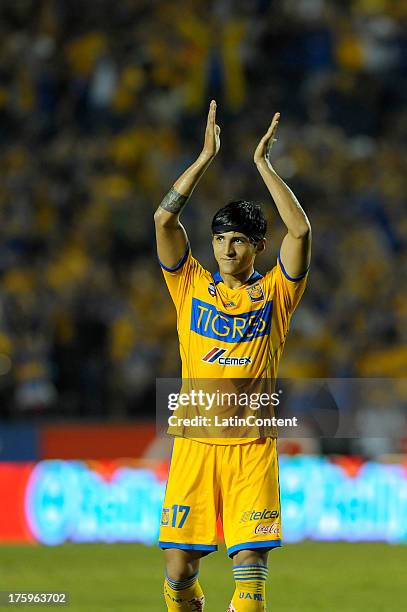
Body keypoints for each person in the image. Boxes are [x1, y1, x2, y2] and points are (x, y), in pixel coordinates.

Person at [154, 100, 311, 611]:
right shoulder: (189, 284)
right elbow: (162, 218)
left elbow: (302, 232)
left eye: (238, 241)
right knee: (179, 576)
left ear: (258, 247)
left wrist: (264, 166)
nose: (226, 250)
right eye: (220, 239)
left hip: (250, 449)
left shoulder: (276, 295)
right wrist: (204, 158)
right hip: (193, 445)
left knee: (250, 586)